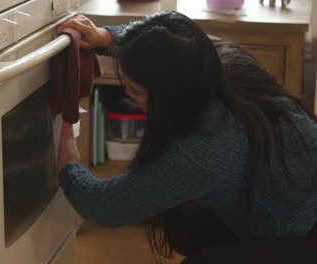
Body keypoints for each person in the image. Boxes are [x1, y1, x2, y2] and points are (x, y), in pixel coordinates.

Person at [56, 11, 317, 263]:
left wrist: (68, 155)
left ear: (169, 94)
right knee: (189, 225)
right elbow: (175, 41)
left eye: (134, 90)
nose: (129, 97)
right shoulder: (219, 60)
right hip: (300, 196)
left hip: (305, 234)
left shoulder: (205, 146)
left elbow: (104, 206)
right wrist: (106, 36)